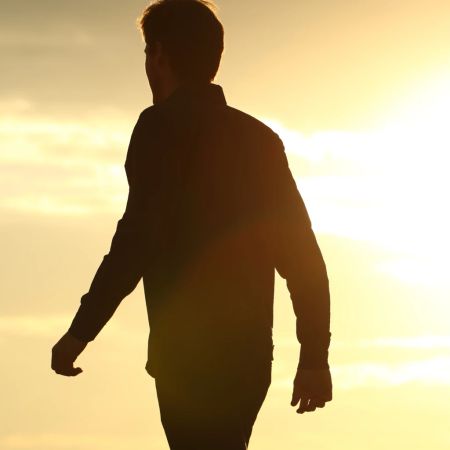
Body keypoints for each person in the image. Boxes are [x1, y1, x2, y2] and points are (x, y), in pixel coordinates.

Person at [49, 1, 333, 448]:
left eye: (146, 53)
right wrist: (315, 357)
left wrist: (80, 333)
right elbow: (301, 256)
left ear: (159, 54)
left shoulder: (158, 128)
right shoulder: (259, 139)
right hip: (248, 359)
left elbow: (137, 240)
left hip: (186, 356)